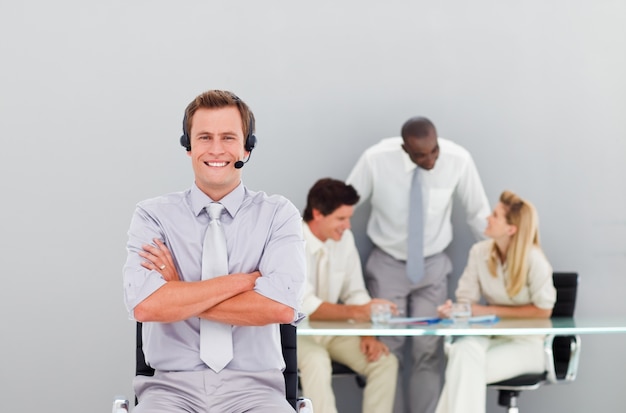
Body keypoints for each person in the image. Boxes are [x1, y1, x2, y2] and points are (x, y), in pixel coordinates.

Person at [122, 90, 306, 413]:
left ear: (247, 148)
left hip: (257, 391)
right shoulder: (152, 216)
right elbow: (145, 305)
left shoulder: (279, 214)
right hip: (169, 390)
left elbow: (280, 308)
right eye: (204, 137)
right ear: (188, 146)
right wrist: (246, 281)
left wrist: (180, 292)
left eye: (228, 137)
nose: (216, 149)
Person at [346, 116, 491, 413]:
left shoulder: (458, 159)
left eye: (434, 151)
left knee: (429, 351)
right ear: (405, 148)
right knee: (389, 351)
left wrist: (497, 264)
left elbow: (479, 216)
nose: (431, 160)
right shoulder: (376, 159)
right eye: (421, 155)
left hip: (433, 266)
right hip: (387, 264)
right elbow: (343, 206)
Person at [434, 190, 556, 413]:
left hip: (526, 344)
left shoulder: (534, 259)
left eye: (495, 215)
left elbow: (543, 311)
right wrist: (455, 310)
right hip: (489, 337)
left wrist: (486, 310)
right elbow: (466, 300)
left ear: (511, 229)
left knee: (463, 370)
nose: (487, 218)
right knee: (462, 351)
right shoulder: (479, 252)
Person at [298, 178, 399, 413]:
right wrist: (358, 313)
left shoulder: (344, 240)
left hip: (331, 331)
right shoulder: (291, 241)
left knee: (384, 362)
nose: (348, 226)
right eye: (341, 219)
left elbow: (355, 292)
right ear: (318, 213)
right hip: (296, 332)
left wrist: (366, 334)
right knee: (317, 360)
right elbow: (304, 305)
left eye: (349, 218)